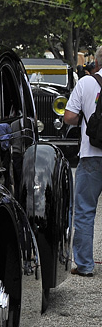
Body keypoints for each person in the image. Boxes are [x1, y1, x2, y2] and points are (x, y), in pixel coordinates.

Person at [65, 69, 102, 276]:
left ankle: (85, 265)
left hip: (91, 156)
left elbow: (69, 116)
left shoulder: (87, 82)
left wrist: (88, 121)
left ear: (97, 62)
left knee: (85, 211)